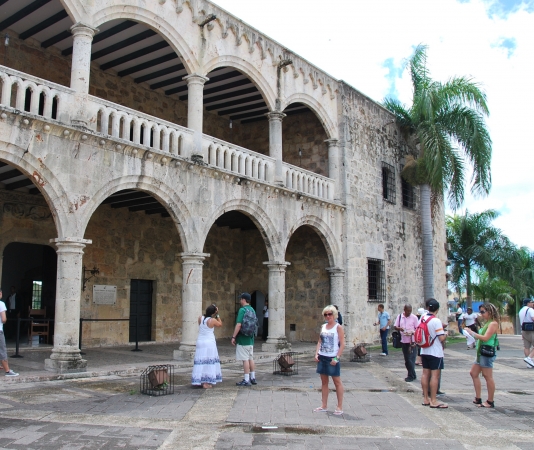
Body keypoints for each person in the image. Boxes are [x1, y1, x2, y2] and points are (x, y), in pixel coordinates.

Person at [465, 303, 500, 408]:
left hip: (486, 352)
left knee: (487, 376)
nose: (481, 314)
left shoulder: (493, 323)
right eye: (480, 312)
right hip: (480, 352)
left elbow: (485, 338)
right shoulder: (487, 323)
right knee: (473, 373)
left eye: (483, 312)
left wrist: (472, 333)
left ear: (490, 312)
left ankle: (490, 401)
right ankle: (478, 397)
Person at [314, 305, 345, 415]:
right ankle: (324, 405)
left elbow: (342, 344)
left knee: (337, 382)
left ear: (334, 315)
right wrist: (317, 353)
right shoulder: (323, 327)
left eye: (330, 314)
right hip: (322, 356)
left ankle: (339, 406)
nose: (328, 316)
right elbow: (319, 341)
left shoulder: (338, 327)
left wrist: (337, 357)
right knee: (324, 382)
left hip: (332, 357)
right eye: (326, 314)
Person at [420, 299, 447, 409]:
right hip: (435, 351)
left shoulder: (422, 318)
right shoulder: (436, 321)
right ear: (437, 309)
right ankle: (434, 400)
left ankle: (426, 398)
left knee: (425, 374)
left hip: (424, 350)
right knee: (435, 376)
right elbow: (441, 338)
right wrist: (446, 334)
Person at [191, 304, 223, 389]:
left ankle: (199, 380)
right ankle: (206, 382)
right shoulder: (212, 320)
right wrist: (218, 314)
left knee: (201, 361)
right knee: (208, 361)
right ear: (213, 312)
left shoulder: (200, 318)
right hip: (209, 342)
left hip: (200, 341)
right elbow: (220, 324)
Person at [231, 293, 257, 386]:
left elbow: (239, 324)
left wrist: (234, 336)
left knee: (245, 359)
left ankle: (246, 379)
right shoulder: (252, 309)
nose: (240, 300)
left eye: (240, 299)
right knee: (251, 358)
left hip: (242, 339)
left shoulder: (242, 310)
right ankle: (253, 377)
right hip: (250, 338)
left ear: (244, 300)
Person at [394, 304, 419, 382]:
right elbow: (395, 326)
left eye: (410, 311)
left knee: (411, 359)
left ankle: (410, 375)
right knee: (407, 359)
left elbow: (417, 329)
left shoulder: (414, 318)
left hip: (412, 341)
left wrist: (412, 332)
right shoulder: (400, 317)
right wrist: (400, 328)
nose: (409, 312)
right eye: (407, 311)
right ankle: (413, 374)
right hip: (404, 340)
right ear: (404, 310)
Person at [0, 289, 19, 377]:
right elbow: (3, 319)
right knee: (2, 350)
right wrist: (5, 320)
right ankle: (7, 371)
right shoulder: (1, 304)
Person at [518, 298, 534, 368]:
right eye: (531, 302)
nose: (533, 303)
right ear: (528, 303)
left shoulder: (521, 310)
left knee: (527, 347)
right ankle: (529, 358)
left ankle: (528, 363)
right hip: (531, 330)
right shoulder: (530, 310)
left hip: (524, 330)